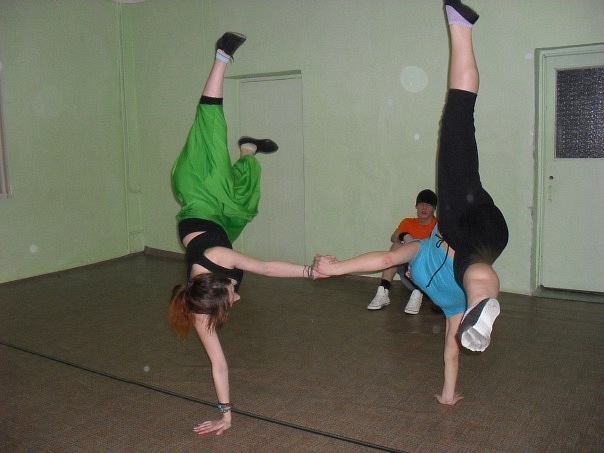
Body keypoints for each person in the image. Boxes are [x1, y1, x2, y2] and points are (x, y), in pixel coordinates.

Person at [316, 0, 508, 406]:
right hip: (462, 223)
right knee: (458, 119)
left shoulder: (445, 302)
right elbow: (384, 259)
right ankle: (460, 27)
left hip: (489, 232)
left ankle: (484, 302)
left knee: (476, 267)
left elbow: (451, 353)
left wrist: (448, 395)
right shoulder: (419, 255)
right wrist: (336, 268)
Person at [168, 32, 323, 436]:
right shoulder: (200, 308)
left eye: (230, 298)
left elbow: (267, 268)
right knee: (246, 203)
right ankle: (249, 150)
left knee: (210, 133)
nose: (235, 301)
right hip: (223, 221)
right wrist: (226, 414)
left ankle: (222, 55)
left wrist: (310, 272)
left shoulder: (219, 259)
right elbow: (218, 364)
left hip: (199, 195)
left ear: (217, 283)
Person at [367, 189, 437, 314]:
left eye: (428, 205)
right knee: (397, 244)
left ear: (434, 209)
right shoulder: (408, 222)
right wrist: (404, 235)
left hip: (428, 276)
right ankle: (383, 290)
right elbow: (393, 237)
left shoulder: (438, 226)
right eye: (421, 204)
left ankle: (418, 293)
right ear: (416, 206)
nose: (424, 207)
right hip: (407, 271)